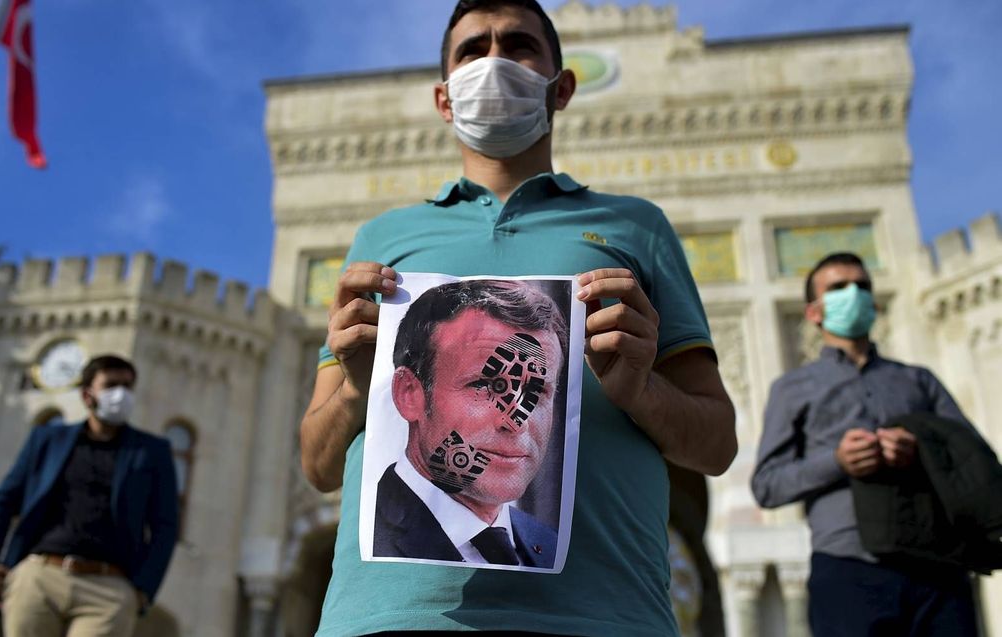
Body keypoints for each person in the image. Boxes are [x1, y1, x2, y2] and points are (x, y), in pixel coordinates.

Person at [300, 1, 737, 634]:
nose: (495, 62)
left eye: (520, 45)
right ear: (444, 98)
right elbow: (315, 465)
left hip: (604, 616)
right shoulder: (383, 238)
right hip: (395, 616)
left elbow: (716, 443)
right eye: (473, 50)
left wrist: (642, 389)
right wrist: (356, 387)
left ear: (561, 88)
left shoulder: (636, 227)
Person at [751, 252, 979, 637]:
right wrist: (837, 460)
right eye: (839, 288)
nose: (854, 294)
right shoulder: (792, 389)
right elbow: (768, 485)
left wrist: (919, 447)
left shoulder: (918, 380)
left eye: (863, 286)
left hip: (936, 568)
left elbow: (970, 456)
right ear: (814, 312)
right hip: (848, 567)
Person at [0, 355, 179, 637]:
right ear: (87, 395)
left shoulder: (152, 452)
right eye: (111, 385)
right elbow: (4, 500)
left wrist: (143, 588)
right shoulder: (48, 440)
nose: (121, 394)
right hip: (40, 575)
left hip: (109, 587)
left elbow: (165, 526)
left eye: (128, 386)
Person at [376, 280, 566, 568]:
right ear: (409, 394)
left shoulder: (550, 545)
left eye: (536, 392)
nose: (517, 421)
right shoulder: (370, 530)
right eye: (485, 386)